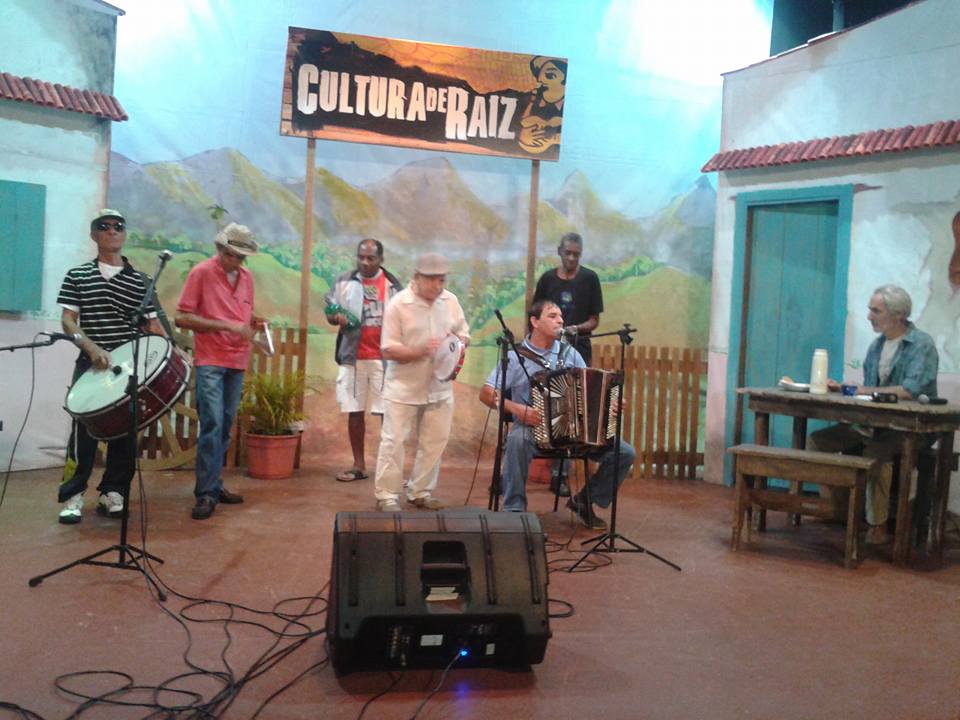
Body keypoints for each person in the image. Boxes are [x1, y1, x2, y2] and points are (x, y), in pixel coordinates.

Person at [478, 300, 635, 529]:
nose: (560, 320)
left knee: (624, 453)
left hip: (575, 431)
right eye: (552, 316)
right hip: (533, 427)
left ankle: (584, 501)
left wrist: (608, 403)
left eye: (561, 316)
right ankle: (514, 509)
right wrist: (516, 409)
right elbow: (486, 393)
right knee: (517, 439)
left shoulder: (569, 353)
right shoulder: (516, 356)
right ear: (535, 322)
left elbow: (590, 387)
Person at [57, 209, 165, 524]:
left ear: (124, 234)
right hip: (89, 365)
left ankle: (113, 492)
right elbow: (68, 320)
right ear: (94, 235)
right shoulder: (78, 275)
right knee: (83, 433)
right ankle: (73, 495)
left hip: (128, 368)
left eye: (118, 226)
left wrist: (168, 353)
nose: (112, 230)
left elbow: (154, 327)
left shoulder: (141, 281)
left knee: (125, 432)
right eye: (104, 226)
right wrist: (90, 348)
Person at [808, 284, 939, 545]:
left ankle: (878, 525)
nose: (869, 316)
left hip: (912, 429)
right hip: (875, 424)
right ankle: (844, 511)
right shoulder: (877, 346)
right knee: (817, 442)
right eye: (870, 310)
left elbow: (909, 390)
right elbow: (871, 393)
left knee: (877, 450)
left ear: (898, 314)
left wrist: (862, 390)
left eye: (876, 311)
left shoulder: (921, 344)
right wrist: (844, 389)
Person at [175, 223, 262, 520]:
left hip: (237, 359)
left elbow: (242, 312)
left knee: (224, 425)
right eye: (232, 255)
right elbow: (182, 317)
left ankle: (214, 483)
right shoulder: (201, 273)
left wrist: (254, 321)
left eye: (241, 257)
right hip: (211, 359)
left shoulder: (247, 277)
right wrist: (226, 326)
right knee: (212, 423)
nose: (237, 262)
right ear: (220, 249)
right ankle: (205, 492)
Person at [373, 252, 470, 512]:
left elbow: (463, 334)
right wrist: (421, 351)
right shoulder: (398, 304)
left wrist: (455, 346)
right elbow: (388, 349)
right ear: (416, 277)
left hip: (439, 386)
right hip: (403, 386)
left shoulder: (450, 301)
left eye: (442, 280)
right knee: (394, 441)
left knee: (435, 441)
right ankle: (386, 495)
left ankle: (421, 492)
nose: (437, 285)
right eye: (432, 279)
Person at [324, 239, 403, 482]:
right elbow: (329, 309)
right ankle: (358, 465)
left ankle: (389, 467)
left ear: (381, 260)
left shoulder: (393, 285)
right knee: (354, 411)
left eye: (370, 258)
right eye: (361, 257)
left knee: (387, 414)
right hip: (353, 357)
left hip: (384, 360)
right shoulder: (344, 281)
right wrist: (336, 316)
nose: (365, 262)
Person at [533, 232, 604, 495]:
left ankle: (561, 474)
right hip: (548, 352)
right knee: (546, 406)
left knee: (572, 411)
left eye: (577, 254)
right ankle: (531, 461)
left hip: (577, 352)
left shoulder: (590, 279)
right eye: (568, 253)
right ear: (559, 252)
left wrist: (575, 329)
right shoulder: (547, 280)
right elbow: (535, 315)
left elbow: (594, 320)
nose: (572, 258)